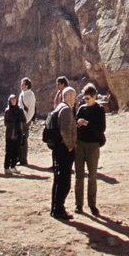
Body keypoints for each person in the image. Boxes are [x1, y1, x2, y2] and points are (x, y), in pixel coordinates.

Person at [74, 84, 107, 217]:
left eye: (88, 98)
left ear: (94, 97)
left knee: (92, 175)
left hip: (93, 145)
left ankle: (92, 204)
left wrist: (87, 124)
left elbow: (102, 128)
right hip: (80, 144)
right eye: (84, 98)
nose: (85, 100)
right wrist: (78, 122)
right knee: (79, 175)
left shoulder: (99, 109)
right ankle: (79, 204)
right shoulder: (82, 108)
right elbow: (75, 121)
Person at [45, 86, 78, 219]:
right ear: (69, 96)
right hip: (64, 149)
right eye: (74, 96)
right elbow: (65, 130)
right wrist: (70, 145)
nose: (75, 100)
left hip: (58, 148)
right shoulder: (65, 110)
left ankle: (56, 208)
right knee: (64, 180)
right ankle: (58, 209)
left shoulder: (58, 108)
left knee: (59, 179)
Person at [3, 88, 28, 175]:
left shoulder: (19, 110)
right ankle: (6, 167)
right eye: (12, 99)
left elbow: (24, 120)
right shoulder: (8, 111)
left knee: (16, 151)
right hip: (10, 135)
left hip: (18, 133)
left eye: (14, 99)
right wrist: (14, 123)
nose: (13, 100)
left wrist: (19, 124)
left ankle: (13, 166)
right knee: (9, 151)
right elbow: (6, 123)